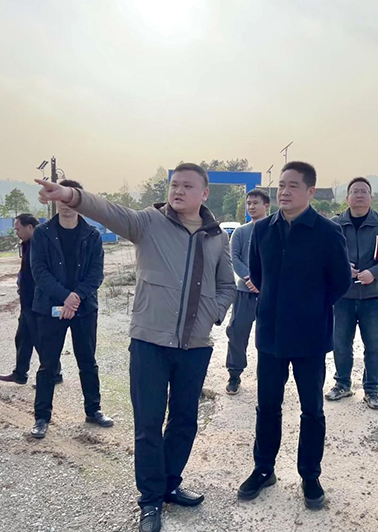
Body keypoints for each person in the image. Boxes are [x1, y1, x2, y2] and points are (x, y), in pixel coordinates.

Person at [35, 163, 236, 532]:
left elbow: (227, 284)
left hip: (195, 345)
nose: (178, 191)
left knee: (184, 422)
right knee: (148, 424)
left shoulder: (217, 237)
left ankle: (170, 484)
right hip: (149, 343)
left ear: (204, 193)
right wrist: (71, 196)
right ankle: (150, 501)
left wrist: (214, 312)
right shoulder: (148, 222)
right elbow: (108, 211)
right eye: (174, 185)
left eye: (187, 186)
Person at [237, 162, 351, 510]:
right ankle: (263, 468)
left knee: (312, 409)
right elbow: (258, 274)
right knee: (267, 406)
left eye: (293, 186)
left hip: (310, 337)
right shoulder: (262, 230)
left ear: (310, 191)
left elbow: (340, 282)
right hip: (270, 334)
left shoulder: (328, 232)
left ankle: (310, 475)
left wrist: (311, 307)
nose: (284, 192)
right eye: (281, 186)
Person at [29, 180, 113, 439]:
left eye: (70, 199)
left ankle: (93, 410)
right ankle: (42, 417)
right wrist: (65, 297)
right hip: (50, 308)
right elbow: (39, 272)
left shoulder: (92, 235)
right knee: (48, 364)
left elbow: (96, 274)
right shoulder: (42, 233)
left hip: (84, 309)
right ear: (55, 200)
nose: (66, 205)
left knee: (87, 361)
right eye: (61, 199)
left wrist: (75, 297)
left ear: (79, 201)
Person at [325, 177, 378, 410]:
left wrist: (374, 273)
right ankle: (342, 384)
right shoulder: (335, 224)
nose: (359, 195)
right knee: (341, 343)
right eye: (355, 191)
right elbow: (327, 254)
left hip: (373, 296)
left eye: (364, 191)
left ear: (370, 197)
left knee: (374, 346)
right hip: (343, 296)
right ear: (347, 198)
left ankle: (372, 389)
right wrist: (343, 267)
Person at [0, 213, 62, 385]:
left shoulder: (41, 245)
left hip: (37, 303)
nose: (17, 233)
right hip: (26, 301)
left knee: (42, 341)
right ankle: (20, 373)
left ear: (30, 227)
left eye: (18, 229)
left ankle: (55, 374)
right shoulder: (26, 245)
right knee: (23, 338)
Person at [224, 189, 270, 395]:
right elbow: (234, 258)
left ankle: (267, 377)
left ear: (266, 206)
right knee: (237, 332)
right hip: (244, 292)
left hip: (268, 294)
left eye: (255, 203)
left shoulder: (275, 230)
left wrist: (264, 282)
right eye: (248, 203)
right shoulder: (241, 232)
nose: (251, 207)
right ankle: (234, 374)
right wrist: (250, 279)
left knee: (268, 336)